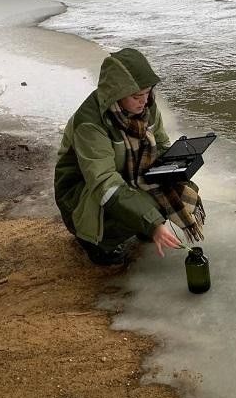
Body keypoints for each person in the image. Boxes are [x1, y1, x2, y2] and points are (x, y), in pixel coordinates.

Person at [54, 48, 206, 266]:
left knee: (178, 188)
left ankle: (141, 223)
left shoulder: (146, 107)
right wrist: (152, 222)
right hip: (82, 194)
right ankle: (97, 243)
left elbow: (162, 145)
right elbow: (105, 184)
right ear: (116, 94)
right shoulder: (90, 125)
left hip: (127, 175)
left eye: (147, 93)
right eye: (136, 96)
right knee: (145, 208)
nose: (144, 101)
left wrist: (177, 166)